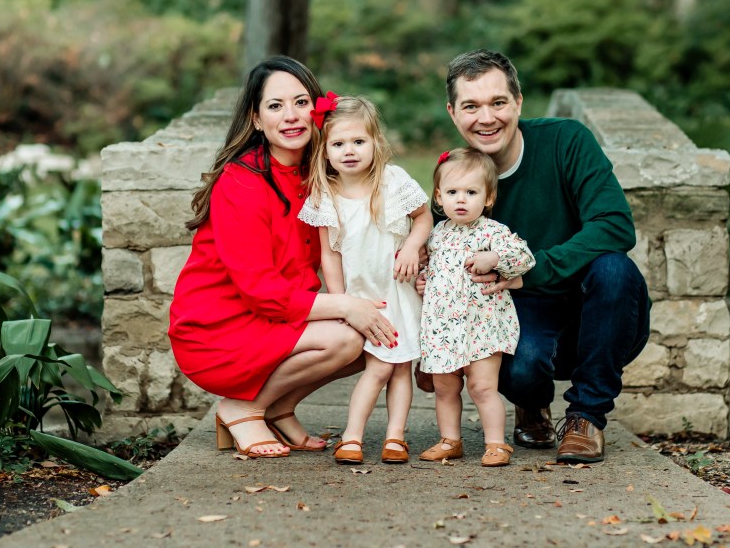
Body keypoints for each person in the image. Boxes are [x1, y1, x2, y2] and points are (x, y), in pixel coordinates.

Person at [168, 56, 398, 459]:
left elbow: (368, 234)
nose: (291, 116)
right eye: (275, 106)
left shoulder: (321, 173)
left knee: (381, 333)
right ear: (256, 119)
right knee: (349, 336)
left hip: (274, 315)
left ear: (318, 111)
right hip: (219, 326)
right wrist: (346, 305)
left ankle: (278, 407)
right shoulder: (242, 182)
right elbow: (261, 290)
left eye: (301, 102)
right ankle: (243, 408)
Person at [440, 49, 651, 464]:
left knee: (615, 268)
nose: (486, 118)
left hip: (592, 305)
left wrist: (531, 269)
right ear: (453, 113)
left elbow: (614, 225)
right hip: (519, 315)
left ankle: (586, 418)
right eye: (471, 106)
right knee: (522, 368)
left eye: (498, 102)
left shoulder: (566, 141)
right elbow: (441, 259)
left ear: (518, 102)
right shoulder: (458, 179)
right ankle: (531, 403)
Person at [299, 94, 432, 465]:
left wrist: (412, 248)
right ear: (325, 151)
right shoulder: (326, 195)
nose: (349, 151)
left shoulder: (393, 181)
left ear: (376, 142)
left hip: (398, 291)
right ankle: (354, 436)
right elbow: (329, 254)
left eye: (359, 141)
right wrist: (340, 301)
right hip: (363, 297)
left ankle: (393, 437)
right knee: (379, 368)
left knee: (398, 366)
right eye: (338, 144)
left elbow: (423, 218)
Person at [418, 148, 536, 468]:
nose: (461, 199)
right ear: (439, 197)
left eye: (471, 193)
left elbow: (524, 258)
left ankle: (496, 443)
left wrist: (495, 258)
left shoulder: (493, 232)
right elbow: (430, 269)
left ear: (488, 197)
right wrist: (422, 281)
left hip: (482, 326)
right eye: (452, 192)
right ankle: (450, 440)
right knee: (444, 389)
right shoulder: (435, 235)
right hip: (443, 328)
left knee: (482, 387)